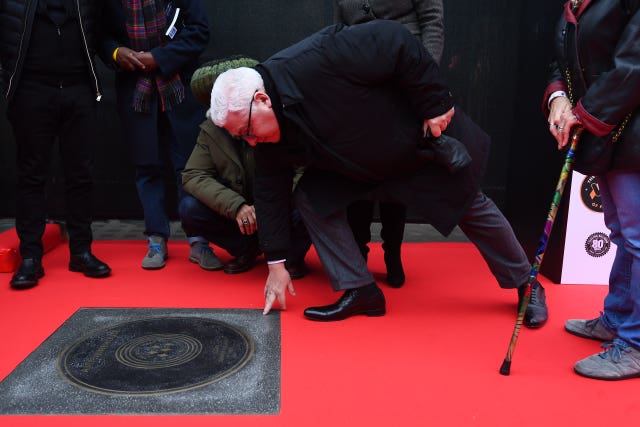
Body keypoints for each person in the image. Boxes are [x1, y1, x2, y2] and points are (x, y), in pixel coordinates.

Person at [210, 20, 547, 326]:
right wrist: (276, 264)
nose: (251, 142)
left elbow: (396, 41)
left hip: (407, 141)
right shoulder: (265, 134)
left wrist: (434, 103)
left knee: (471, 204)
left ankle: (526, 284)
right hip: (350, 163)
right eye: (242, 137)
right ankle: (360, 289)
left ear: (263, 99)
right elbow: (270, 191)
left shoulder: (319, 58)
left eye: (248, 131)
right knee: (310, 196)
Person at [543, 0, 640, 380]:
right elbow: (563, 62)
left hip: (630, 133)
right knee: (622, 234)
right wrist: (558, 99)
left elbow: (632, 67)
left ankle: (635, 343)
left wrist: (581, 114)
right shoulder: (574, 2)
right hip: (607, 134)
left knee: (637, 239)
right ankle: (617, 318)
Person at [0, 0, 112, 289]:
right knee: (31, 176)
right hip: (30, 91)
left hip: (79, 90)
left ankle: (81, 252)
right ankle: (30, 258)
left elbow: (102, 32)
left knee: (81, 175)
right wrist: (9, 88)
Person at [335, 0, 445, 287]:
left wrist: (424, 77)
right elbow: (338, 30)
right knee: (357, 173)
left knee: (396, 176)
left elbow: (433, 22)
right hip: (360, 85)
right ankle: (358, 255)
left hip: (404, 80)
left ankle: (392, 254)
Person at [99, 0, 211, 270]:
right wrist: (116, 53)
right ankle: (156, 238)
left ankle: (198, 240)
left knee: (189, 167)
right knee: (147, 166)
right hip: (135, 89)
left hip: (180, 90)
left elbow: (199, 31)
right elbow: (100, 35)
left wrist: (159, 58)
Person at [180, 58, 311, 276]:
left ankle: (292, 256)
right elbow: (193, 175)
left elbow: (302, 169)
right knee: (189, 208)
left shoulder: (278, 118)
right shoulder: (211, 130)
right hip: (241, 218)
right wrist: (236, 206)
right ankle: (247, 250)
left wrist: (271, 204)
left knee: (312, 200)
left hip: (281, 207)